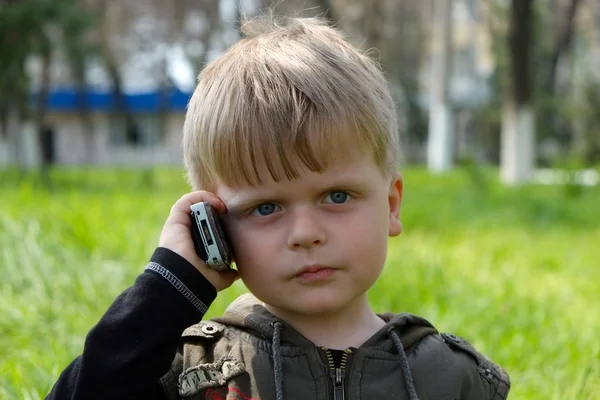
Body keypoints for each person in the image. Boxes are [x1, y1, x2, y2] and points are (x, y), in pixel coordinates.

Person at [47, 15, 510, 400]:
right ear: (216, 226)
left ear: (391, 204)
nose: (305, 232)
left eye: (337, 196)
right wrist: (170, 288)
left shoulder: (453, 378)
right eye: (266, 207)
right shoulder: (192, 370)